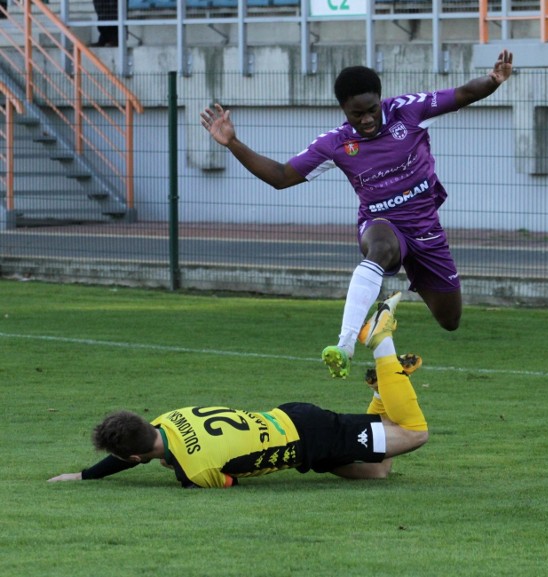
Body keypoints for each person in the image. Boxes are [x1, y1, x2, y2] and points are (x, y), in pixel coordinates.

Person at [199, 49, 514, 379]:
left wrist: (493, 80)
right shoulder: (335, 143)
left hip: (425, 229)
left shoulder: (409, 111)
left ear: (380, 99)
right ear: (343, 111)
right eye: (356, 114)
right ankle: (345, 344)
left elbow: (463, 94)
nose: (366, 119)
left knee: (450, 320)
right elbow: (280, 177)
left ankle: (385, 315)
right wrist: (233, 142)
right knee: (381, 247)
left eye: (371, 110)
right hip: (381, 223)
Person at [47, 292, 428, 488]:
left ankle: (382, 345)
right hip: (292, 424)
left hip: (312, 436)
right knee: (379, 473)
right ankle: (385, 389)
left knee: (414, 434)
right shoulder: (167, 418)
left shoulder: (195, 472)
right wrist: (86, 475)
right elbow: (136, 444)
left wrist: (172, 465)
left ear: (135, 458)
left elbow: (227, 481)